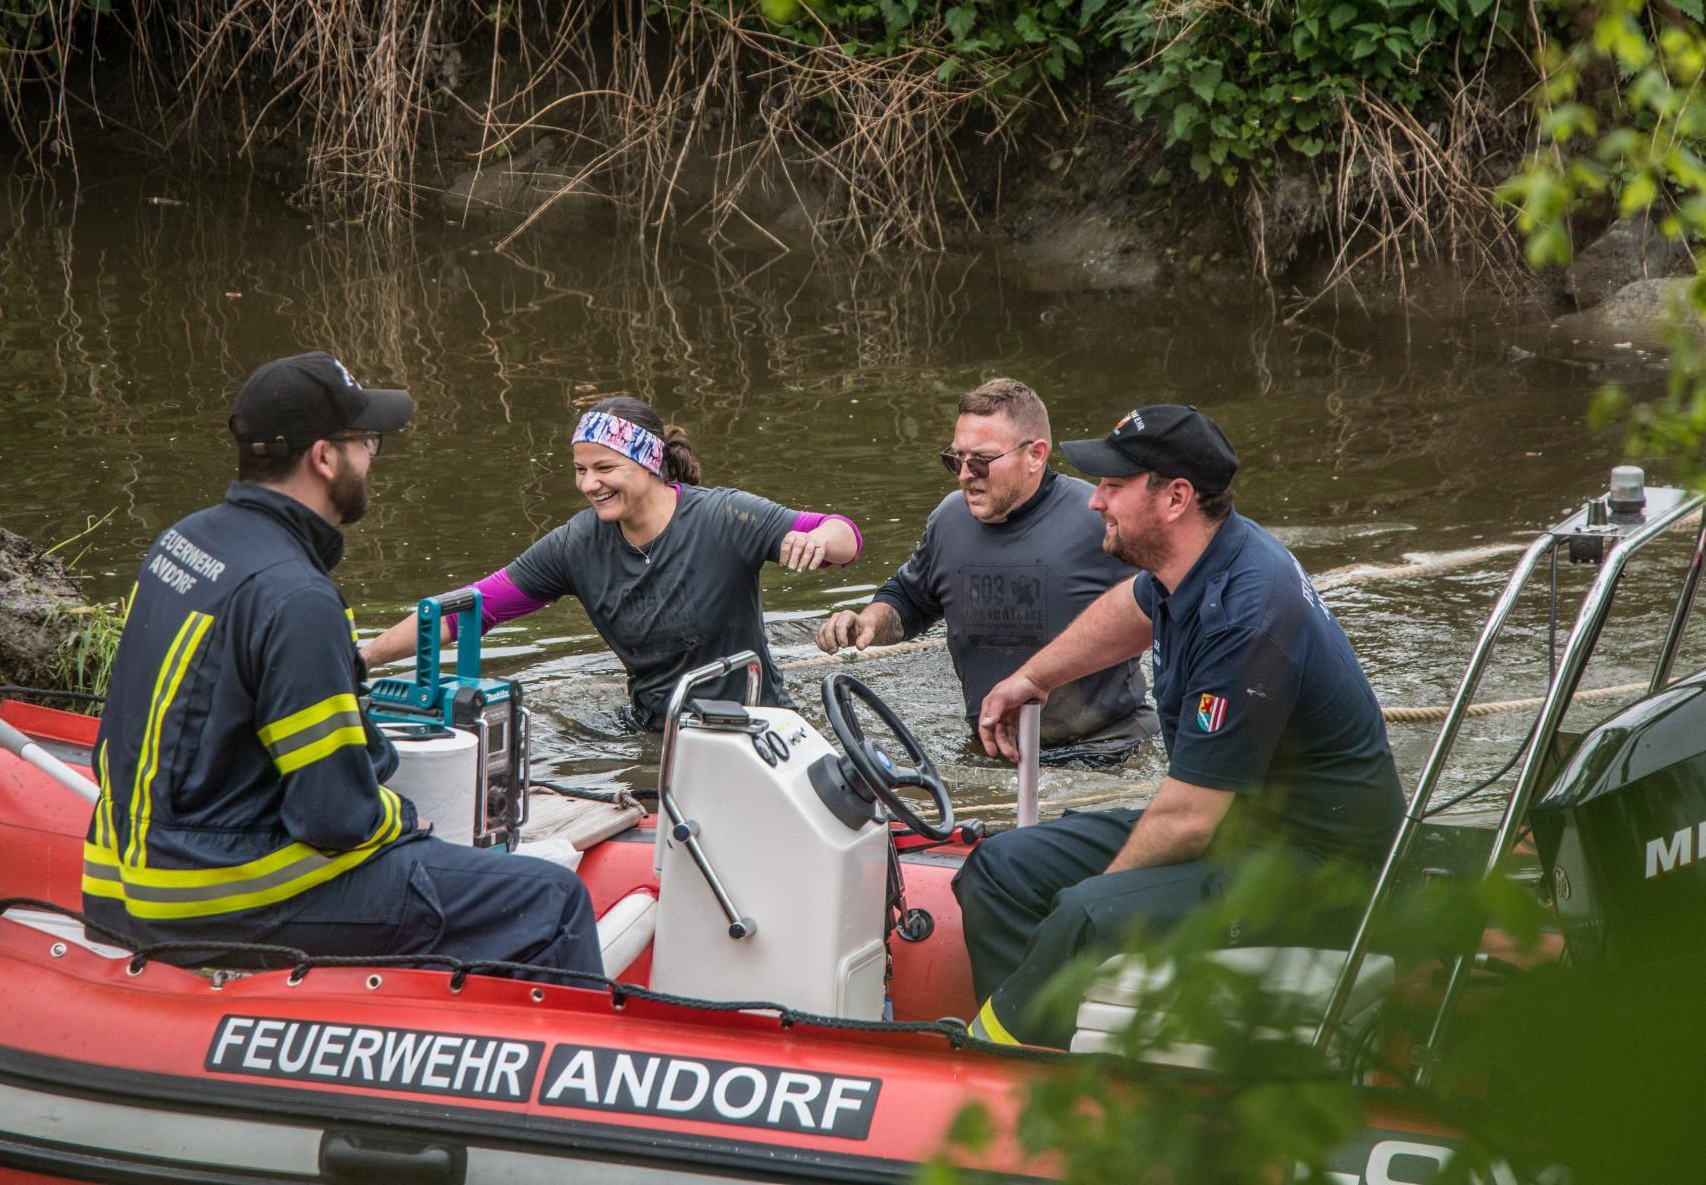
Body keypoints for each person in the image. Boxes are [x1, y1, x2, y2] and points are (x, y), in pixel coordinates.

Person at [82, 351, 603, 981]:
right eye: (367, 443)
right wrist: (406, 821)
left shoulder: (183, 542)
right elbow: (334, 818)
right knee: (549, 901)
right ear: (325, 458)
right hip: (215, 898)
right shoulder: (296, 597)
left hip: (118, 883)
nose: (371, 459)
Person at [954, 404, 1404, 1047]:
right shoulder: (1196, 561)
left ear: (1175, 498)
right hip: (1239, 830)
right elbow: (1133, 607)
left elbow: (1189, 818)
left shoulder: (1249, 619)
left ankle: (999, 1060)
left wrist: (1101, 904)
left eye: (1113, 485)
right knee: (1001, 868)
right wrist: (1036, 677)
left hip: (1313, 872)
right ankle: (1043, 1045)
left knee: (1083, 914)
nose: (1093, 501)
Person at [362, 397, 862, 729]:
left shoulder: (724, 516)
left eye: (605, 468)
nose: (588, 485)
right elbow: (471, 609)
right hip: (659, 733)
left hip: (756, 726)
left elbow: (848, 537)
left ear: (648, 463)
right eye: (580, 469)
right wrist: (363, 658)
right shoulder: (576, 545)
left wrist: (819, 538)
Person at [814, 378, 1156, 764]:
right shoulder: (948, 520)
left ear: (1035, 455)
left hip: (1105, 750)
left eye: (980, 461)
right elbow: (910, 598)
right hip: (990, 752)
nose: (964, 474)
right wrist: (868, 623)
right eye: (955, 459)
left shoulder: (1099, 518)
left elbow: (1170, 605)